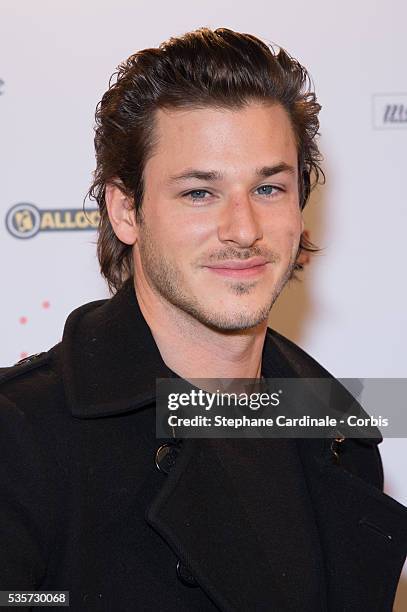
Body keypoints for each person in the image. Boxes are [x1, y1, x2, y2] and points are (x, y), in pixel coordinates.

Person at [1, 27, 406, 612]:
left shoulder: (340, 434)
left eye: (268, 187)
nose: (243, 229)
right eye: (199, 193)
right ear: (126, 210)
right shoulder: (24, 439)